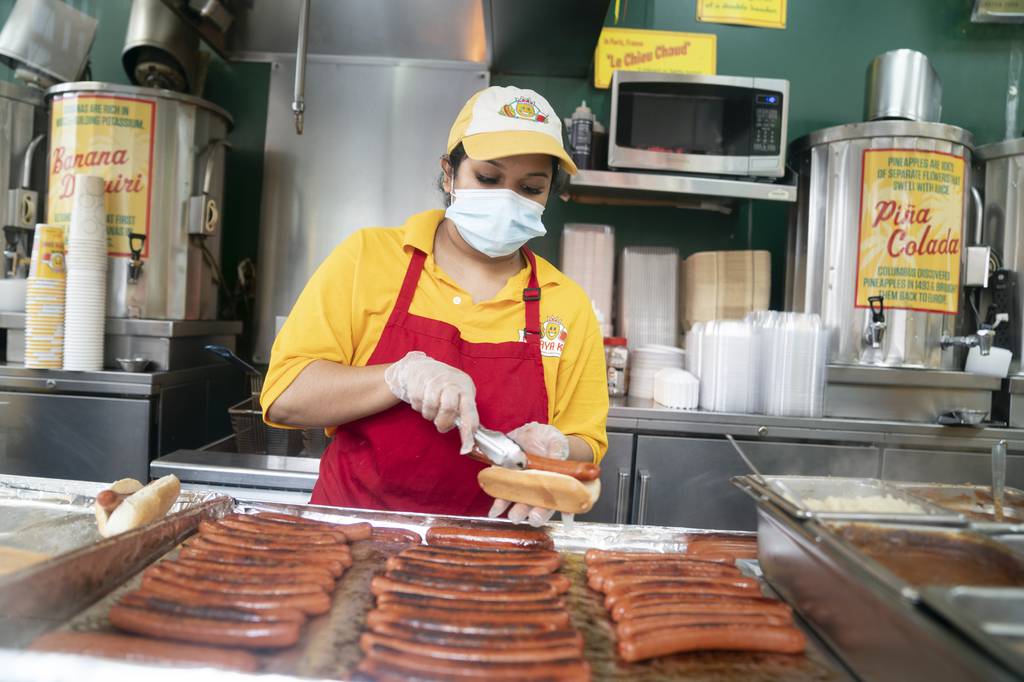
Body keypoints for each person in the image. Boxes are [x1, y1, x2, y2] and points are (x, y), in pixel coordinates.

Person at [261, 86, 608, 526]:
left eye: (531, 187)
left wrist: (557, 449)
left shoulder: (567, 304)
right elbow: (284, 398)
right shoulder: (370, 257)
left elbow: (586, 443)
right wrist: (398, 377)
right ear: (449, 175)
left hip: (493, 552)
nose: (507, 199)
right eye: (487, 178)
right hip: (352, 538)